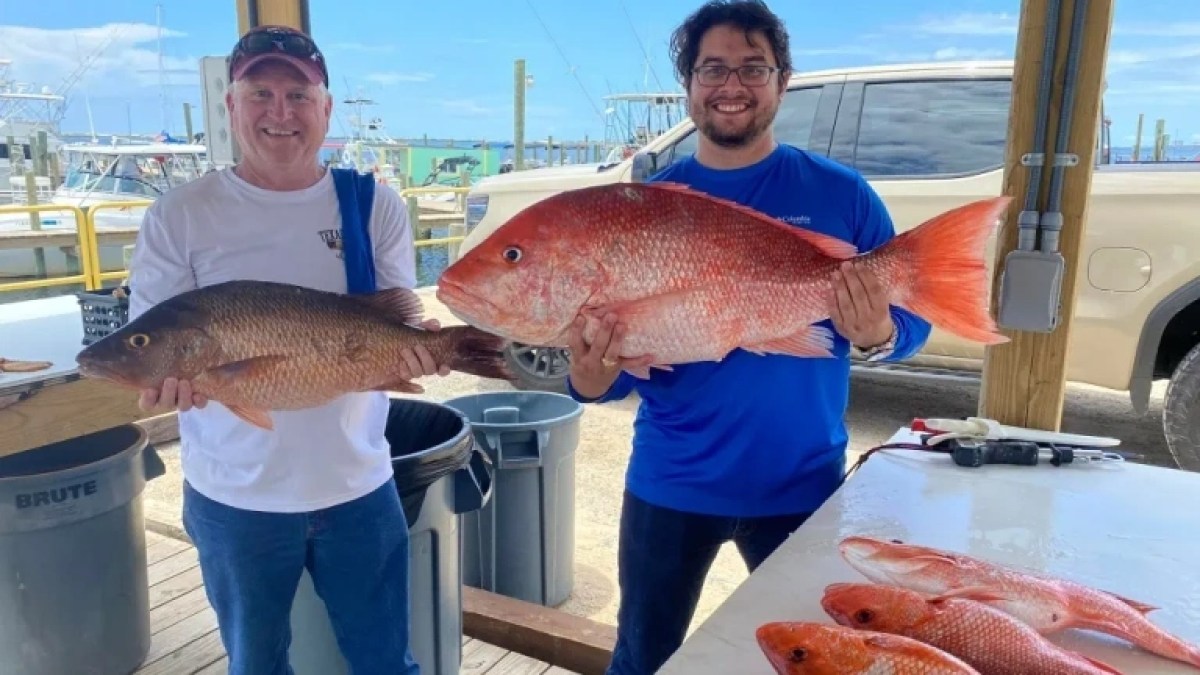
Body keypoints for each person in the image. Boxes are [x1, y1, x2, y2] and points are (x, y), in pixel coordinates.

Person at [563, 2, 933, 673]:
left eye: (752, 68)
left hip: (804, 485)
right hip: (672, 485)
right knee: (644, 655)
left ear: (783, 80)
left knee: (821, 657)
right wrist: (588, 379)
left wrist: (877, 329)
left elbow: (917, 323)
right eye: (713, 69)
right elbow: (609, 372)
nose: (731, 84)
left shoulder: (841, 194)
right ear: (690, 85)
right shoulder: (646, 204)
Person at [127, 24, 446, 675]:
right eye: (261, 93)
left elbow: (394, 320)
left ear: (326, 108)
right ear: (231, 105)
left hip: (358, 486)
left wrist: (419, 355)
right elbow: (151, 343)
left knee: (388, 661)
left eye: (299, 95)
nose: (281, 112)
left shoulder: (372, 205)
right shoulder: (178, 215)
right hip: (233, 500)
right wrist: (164, 382)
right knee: (256, 664)